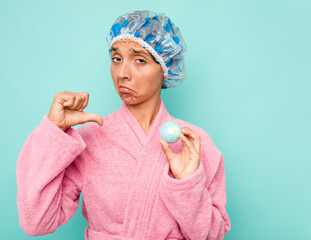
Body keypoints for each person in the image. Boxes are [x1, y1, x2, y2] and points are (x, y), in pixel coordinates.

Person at [16, 10, 231, 240]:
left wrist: (188, 185)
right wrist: (54, 132)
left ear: (165, 68)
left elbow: (212, 236)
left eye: (139, 60)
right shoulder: (88, 139)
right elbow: (35, 222)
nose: (122, 73)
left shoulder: (194, 143)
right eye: (116, 59)